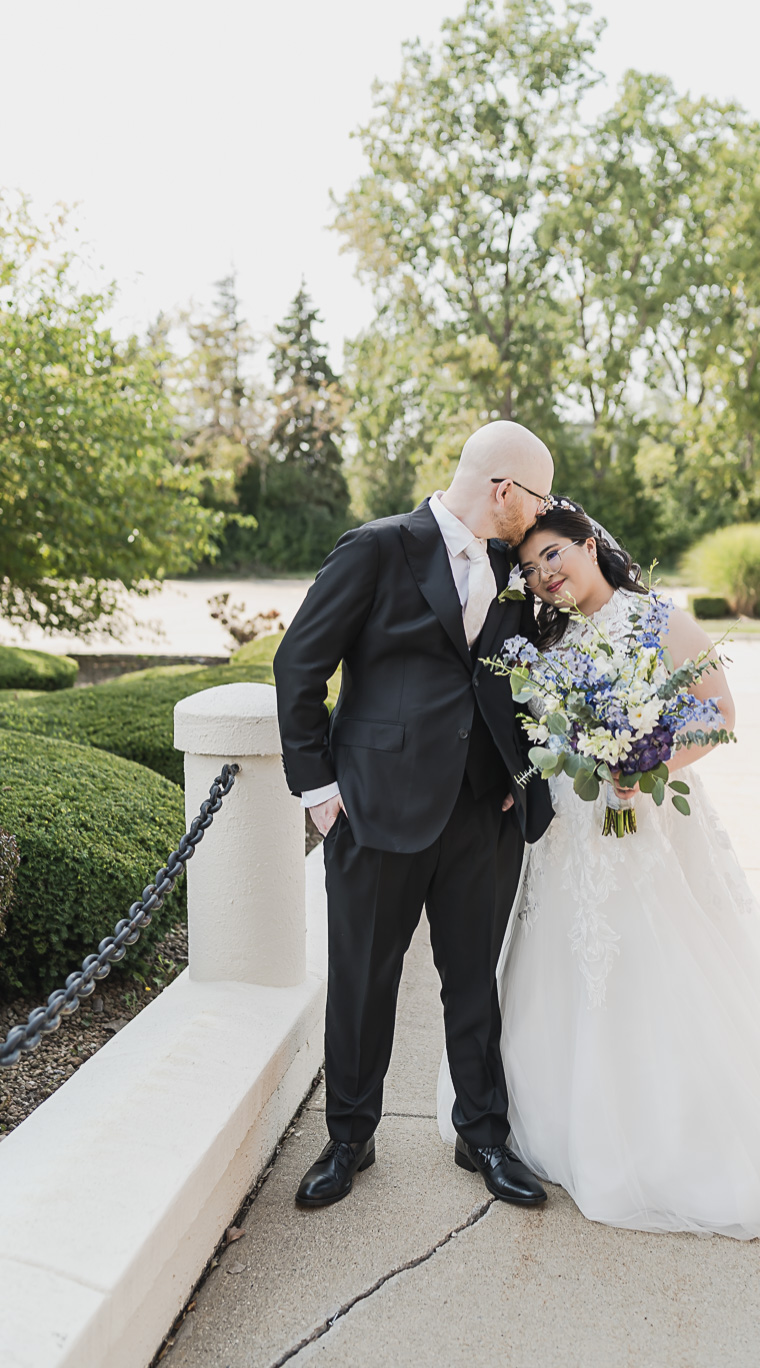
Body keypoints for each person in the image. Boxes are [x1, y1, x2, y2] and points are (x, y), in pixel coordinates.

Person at [438, 498, 760, 1240]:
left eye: (553, 556)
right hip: (565, 831)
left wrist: (646, 758)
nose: (543, 577)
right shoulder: (543, 633)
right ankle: (556, 1124)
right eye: (530, 570)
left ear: (590, 544)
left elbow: (718, 714)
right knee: (558, 965)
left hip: (640, 823)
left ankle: (672, 1135)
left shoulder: (658, 619)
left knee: (655, 958)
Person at [275, 420, 556, 1208]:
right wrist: (321, 794)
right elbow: (299, 664)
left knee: (475, 982)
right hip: (374, 812)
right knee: (364, 980)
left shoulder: (518, 567)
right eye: (536, 496)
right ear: (503, 489)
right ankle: (349, 1140)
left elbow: (523, 680)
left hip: (483, 814)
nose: (543, 514)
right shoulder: (375, 548)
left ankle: (485, 1137)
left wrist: (520, 768)